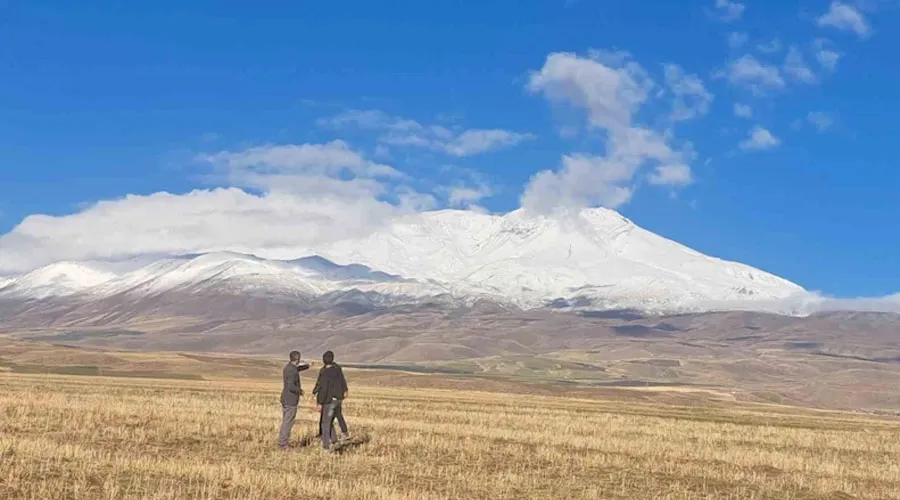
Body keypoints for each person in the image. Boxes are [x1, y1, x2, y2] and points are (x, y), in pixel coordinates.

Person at [314, 350, 349, 451]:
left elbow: (323, 388)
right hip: (338, 399)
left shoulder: (325, 372)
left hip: (329, 401)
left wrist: (319, 402)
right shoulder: (337, 368)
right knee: (330, 421)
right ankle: (335, 441)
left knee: (325, 423)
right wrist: (345, 390)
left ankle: (326, 446)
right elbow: (342, 380)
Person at [277, 350, 310, 449]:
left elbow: (296, 369)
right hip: (291, 399)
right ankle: (283, 443)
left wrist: (307, 366)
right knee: (288, 422)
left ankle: (283, 441)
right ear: (298, 359)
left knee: (286, 421)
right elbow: (291, 386)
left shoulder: (288, 368)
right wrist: (300, 391)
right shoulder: (292, 370)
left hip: (286, 398)